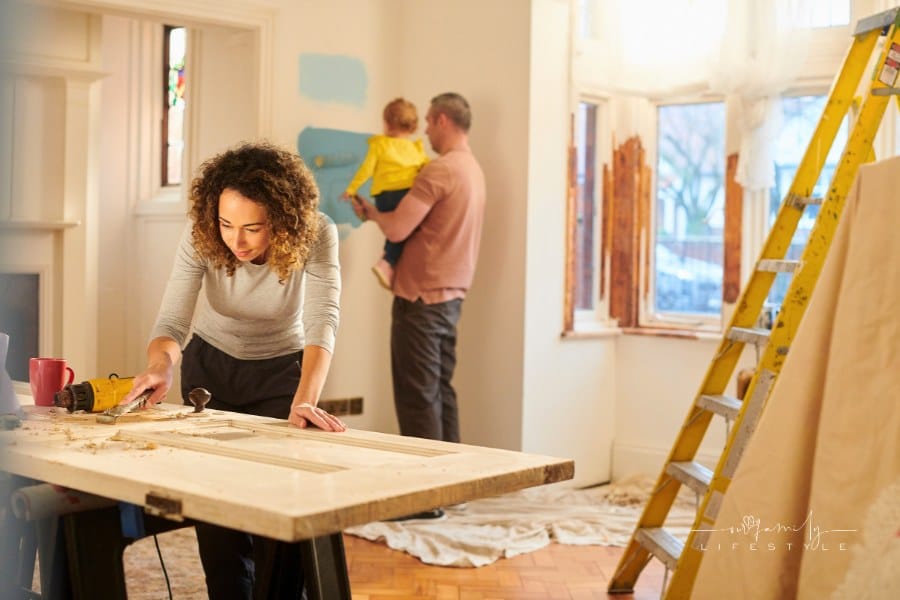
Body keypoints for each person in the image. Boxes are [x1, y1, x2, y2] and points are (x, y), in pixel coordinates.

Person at [122, 140, 345, 599]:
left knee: (278, 524)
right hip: (211, 368)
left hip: (283, 371)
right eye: (226, 224)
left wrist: (305, 400)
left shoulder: (318, 233)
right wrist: (159, 366)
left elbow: (323, 321)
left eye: (252, 228)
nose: (235, 241)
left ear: (283, 221)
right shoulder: (201, 233)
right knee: (218, 526)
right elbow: (171, 322)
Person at [350, 91, 486, 454]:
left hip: (420, 297)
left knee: (417, 396)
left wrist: (373, 213)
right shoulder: (472, 169)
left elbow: (397, 229)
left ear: (442, 120)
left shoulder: (439, 170)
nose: (425, 130)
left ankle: (426, 502)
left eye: (428, 121)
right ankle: (451, 485)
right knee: (441, 389)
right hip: (452, 294)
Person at [341, 97, 430, 290]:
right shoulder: (416, 149)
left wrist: (352, 188)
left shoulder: (380, 145)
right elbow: (428, 170)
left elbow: (367, 169)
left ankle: (388, 261)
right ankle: (387, 261)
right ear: (413, 126)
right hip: (406, 195)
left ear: (387, 124)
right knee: (407, 229)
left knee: (398, 231)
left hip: (384, 198)